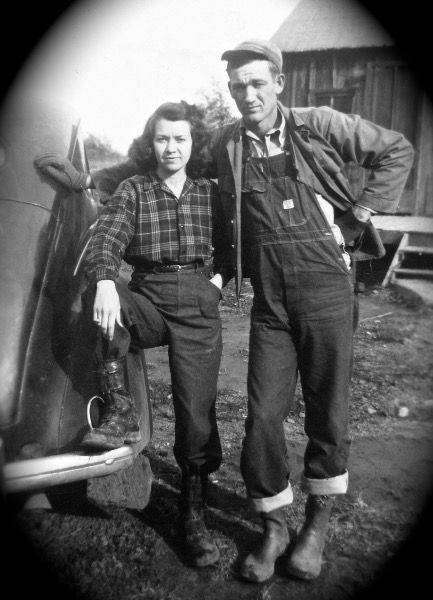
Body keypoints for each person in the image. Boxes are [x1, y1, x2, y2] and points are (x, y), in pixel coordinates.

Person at [209, 39, 414, 583]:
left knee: (329, 412)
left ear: (278, 83)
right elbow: (161, 156)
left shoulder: (317, 124)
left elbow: (396, 149)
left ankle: (316, 526)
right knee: (262, 415)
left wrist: (361, 213)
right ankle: (274, 525)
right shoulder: (228, 143)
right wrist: (90, 180)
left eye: (257, 83)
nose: (248, 95)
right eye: (237, 87)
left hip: (326, 285)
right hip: (271, 299)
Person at [35, 101, 231, 568]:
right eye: (162, 138)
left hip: (199, 299)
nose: (171, 148)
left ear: (193, 142)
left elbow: (232, 241)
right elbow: (106, 236)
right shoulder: (135, 188)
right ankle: (120, 408)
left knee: (195, 412)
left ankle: (193, 512)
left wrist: (218, 282)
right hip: (149, 296)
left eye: (180, 138)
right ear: (151, 143)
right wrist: (105, 280)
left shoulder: (212, 191)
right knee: (97, 296)